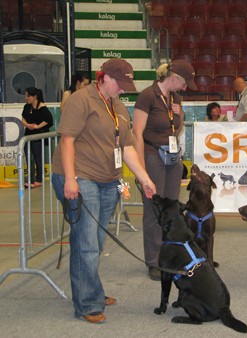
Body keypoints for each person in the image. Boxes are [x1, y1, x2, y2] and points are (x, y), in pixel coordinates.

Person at [51, 59, 156, 324]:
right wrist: (71, 179)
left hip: (110, 180)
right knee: (86, 243)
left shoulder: (118, 106)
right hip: (81, 175)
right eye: (121, 85)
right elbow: (67, 140)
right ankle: (87, 303)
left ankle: (91, 290)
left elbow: (128, 148)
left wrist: (144, 178)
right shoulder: (80, 100)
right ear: (105, 78)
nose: (123, 90)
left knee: (94, 242)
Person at [133, 59, 197, 281]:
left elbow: (176, 129)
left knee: (172, 209)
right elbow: (137, 133)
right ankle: (153, 261)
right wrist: (140, 169)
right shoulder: (147, 96)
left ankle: (169, 256)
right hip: (152, 156)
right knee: (153, 210)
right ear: (174, 77)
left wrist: (180, 116)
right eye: (184, 82)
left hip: (172, 157)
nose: (185, 88)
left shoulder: (175, 98)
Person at [21, 87, 54, 188]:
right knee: (28, 158)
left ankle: (39, 179)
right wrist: (27, 125)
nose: (26, 98)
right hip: (28, 135)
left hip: (38, 136)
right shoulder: (27, 107)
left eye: (28, 96)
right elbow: (23, 118)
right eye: (25, 95)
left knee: (37, 157)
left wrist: (37, 126)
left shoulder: (42, 108)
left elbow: (49, 120)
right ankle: (30, 179)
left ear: (34, 97)